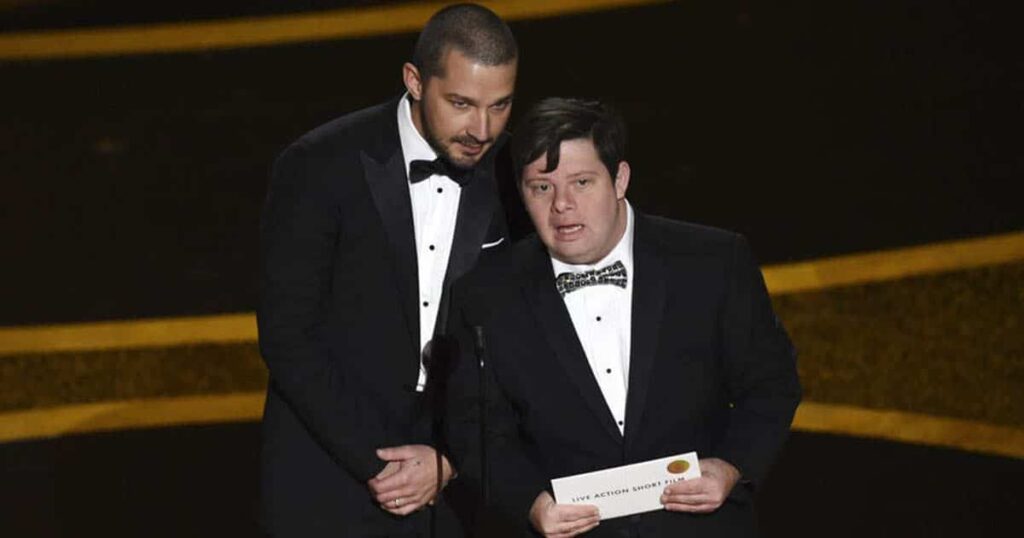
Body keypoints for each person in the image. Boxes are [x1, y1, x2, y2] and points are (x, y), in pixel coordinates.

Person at [444, 98, 802, 537]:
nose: (561, 205)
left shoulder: (712, 263)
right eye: (542, 187)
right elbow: (474, 427)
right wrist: (530, 502)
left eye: (581, 182)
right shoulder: (486, 294)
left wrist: (732, 467)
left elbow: (771, 382)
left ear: (620, 179)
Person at [257, 4, 518, 536]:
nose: (482, 129)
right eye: (462, 104)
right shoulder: (318, 165)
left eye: (501, 105)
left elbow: (528, 337)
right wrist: (382, 463)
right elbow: (288, 335)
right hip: (328, 476)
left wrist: (449, 459)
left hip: (457, 492)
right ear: (415, 81)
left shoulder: (516, 175)